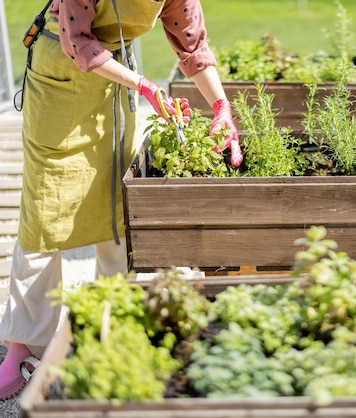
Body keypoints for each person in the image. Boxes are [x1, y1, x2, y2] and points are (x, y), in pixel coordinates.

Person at [0, 0, 241, 400]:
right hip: (60, 76)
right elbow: (77, 43)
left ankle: (108, 320)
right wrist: (144, 85)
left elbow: (193, 46)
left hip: (115, 81)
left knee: (116, 202)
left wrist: (221, 106)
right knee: (44, 215)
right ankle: (24, 345)